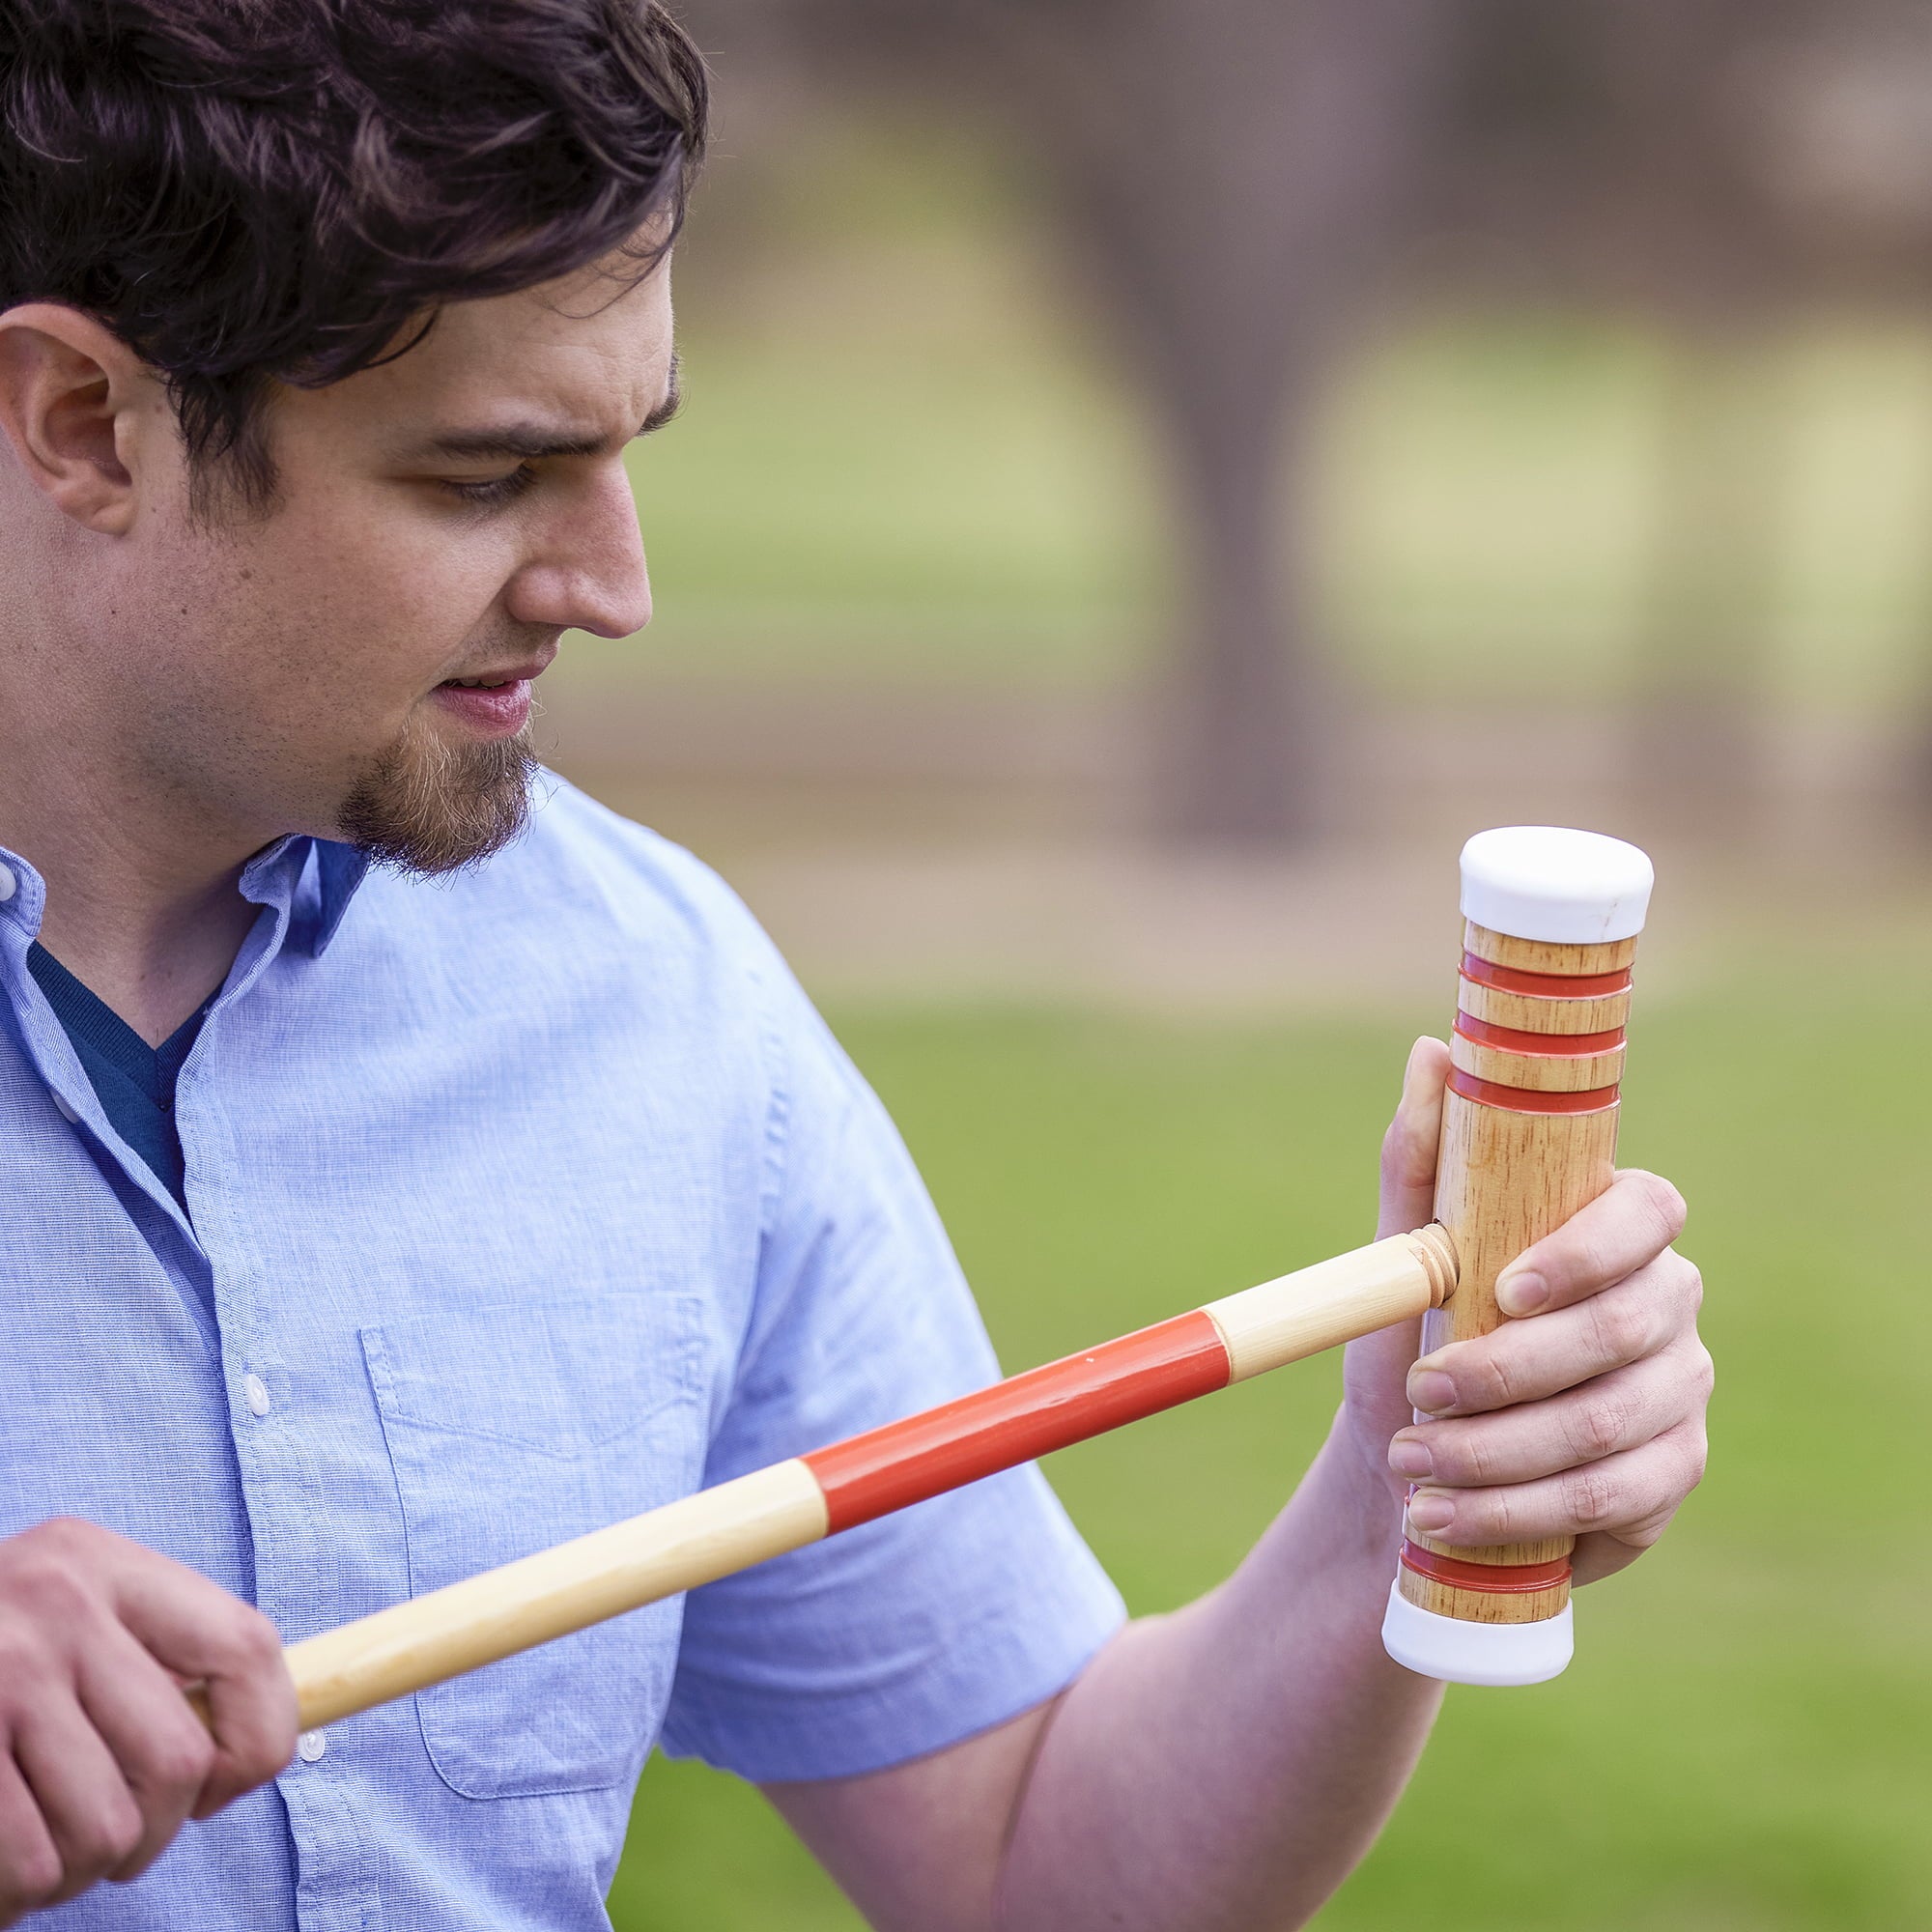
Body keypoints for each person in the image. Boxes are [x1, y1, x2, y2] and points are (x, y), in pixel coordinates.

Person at [0, 3, 1712, 1927]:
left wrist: (1408, 1485)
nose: (613, 587)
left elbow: (1027, 1863)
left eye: (625, 451)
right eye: (485, 479)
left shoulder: (651, 1003)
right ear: (88, 424)